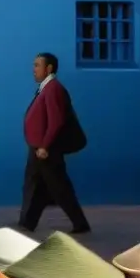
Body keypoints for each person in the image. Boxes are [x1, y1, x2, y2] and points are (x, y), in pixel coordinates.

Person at [20, 52, 91, 234]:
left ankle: (80, 223)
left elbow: (56, 120)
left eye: (37, 65)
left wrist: (45, 146)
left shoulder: (53, 89)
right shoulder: (46, 87)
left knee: (58, 187)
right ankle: (27, 222)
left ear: (49, 68)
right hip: (37, 148)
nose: (33, 69)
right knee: (35, 184)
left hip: (45, 149)